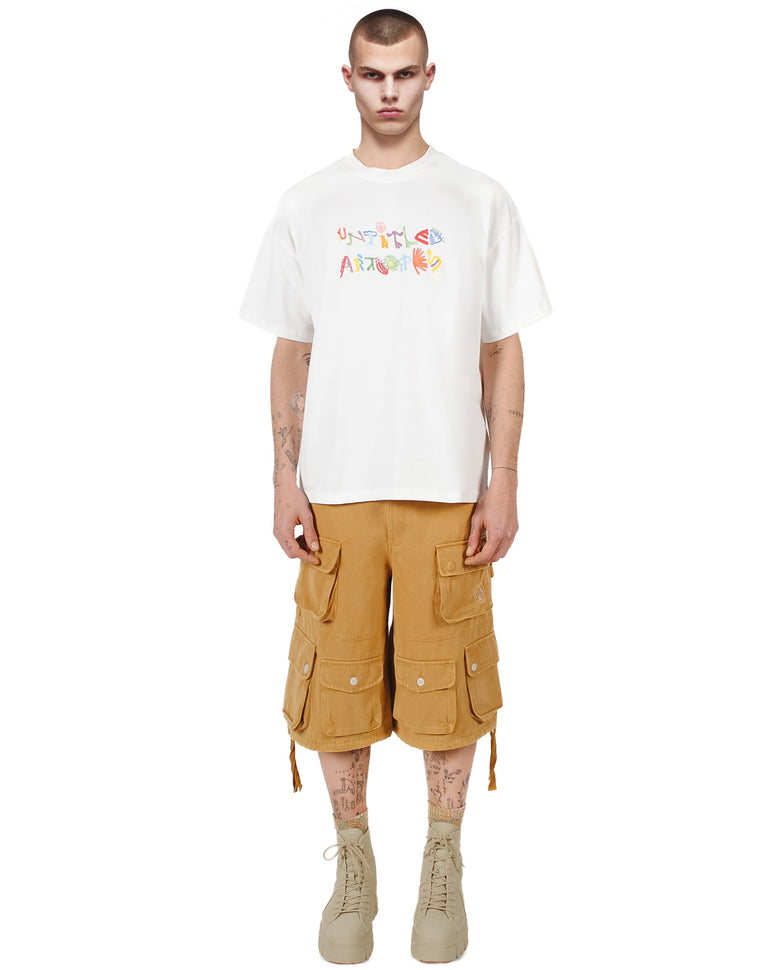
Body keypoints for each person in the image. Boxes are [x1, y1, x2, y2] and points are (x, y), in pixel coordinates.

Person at [239, 8, 552, 963]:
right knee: (336, 684)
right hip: (336, 488)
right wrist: (283, 476)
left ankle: (442, 864)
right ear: (347, 78)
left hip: (445, 486)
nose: (389, 91)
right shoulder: (308, 203)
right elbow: (291, 351)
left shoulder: (478, 198)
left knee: (446, 680)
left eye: (405, 73)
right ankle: (354, 866)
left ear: (429, 76)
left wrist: (504, 481)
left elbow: (504, 349)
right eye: (373, 74)